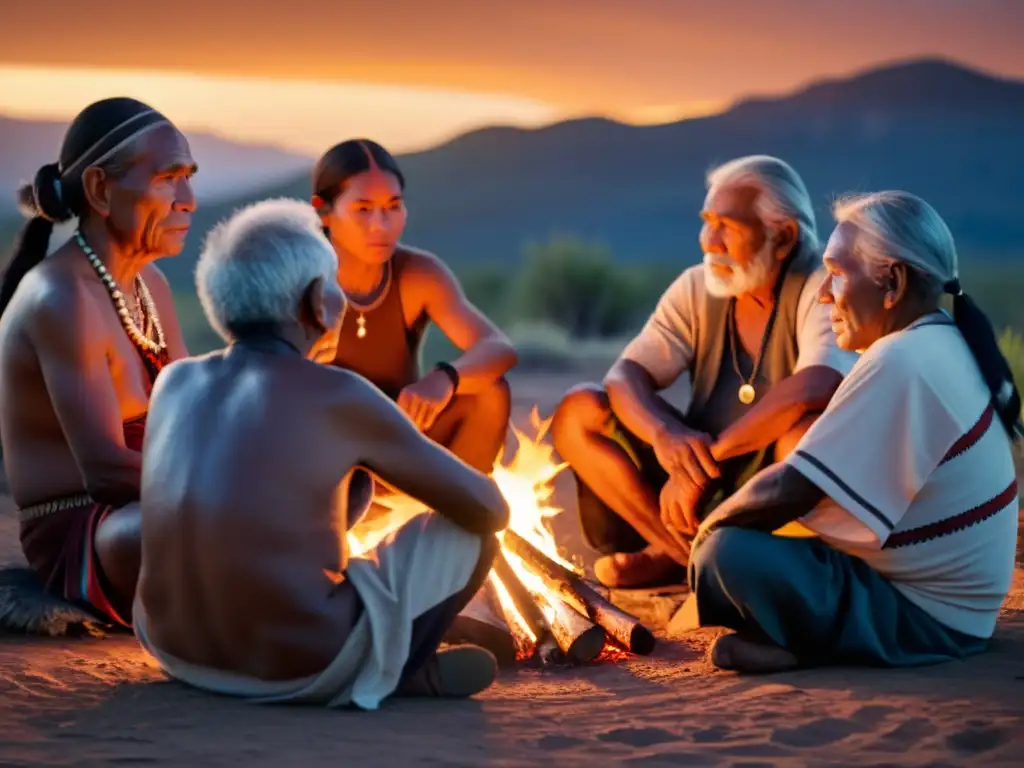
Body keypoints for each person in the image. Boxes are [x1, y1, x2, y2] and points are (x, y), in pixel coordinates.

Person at [133, 198, 509, 707]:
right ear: (317, 301)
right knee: (475, 532)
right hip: (301, 663)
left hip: (173, 649)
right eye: (335, 282)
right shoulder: (339, 393)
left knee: (347, 489)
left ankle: (360, 658)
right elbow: (487, 506)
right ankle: (389, 668)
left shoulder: (174, 381)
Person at [687, 191, 1021, 673]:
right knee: (753, 541)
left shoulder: (902, 359)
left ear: (893, 281)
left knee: (727, 552)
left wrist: (707, 530)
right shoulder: (940, 339)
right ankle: (789, 636)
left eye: (838, 274)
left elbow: (793, 486)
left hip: (925, 621)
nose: (824, 295)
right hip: (958, 612)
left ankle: (800, 646)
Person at [550, 155, 857, 587]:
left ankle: (728, 556)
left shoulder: (822, 287)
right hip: (684, 486)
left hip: (763, 488)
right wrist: (665, 437)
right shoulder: (698, 285)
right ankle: (677, 552)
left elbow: (817, 385)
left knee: (804, 437)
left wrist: (702, 461)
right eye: (706, 221)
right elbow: (625, 376)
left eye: (727, 226)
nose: (709, 240)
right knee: (579, 410)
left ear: (783, 236)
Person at [0, 97, 194, 628]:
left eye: (189, 178)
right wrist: (232, 492)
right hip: (88, 536)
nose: (189, 200)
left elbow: (197, 417)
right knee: (206, 531)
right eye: (169, 179)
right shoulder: (60, 298)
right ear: (101, 191)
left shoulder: (150, 285)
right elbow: (107, 473)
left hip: (162, 505)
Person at [310, 139, 517, 475]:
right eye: (363, 209)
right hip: (326, 461)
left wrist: (445, 379)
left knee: (489, 392)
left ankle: (454, 525)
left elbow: (498, 347)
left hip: (403, 449)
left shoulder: (417, 274)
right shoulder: (295, 279)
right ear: (323, 211)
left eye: (393, 206)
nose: (381, 224)